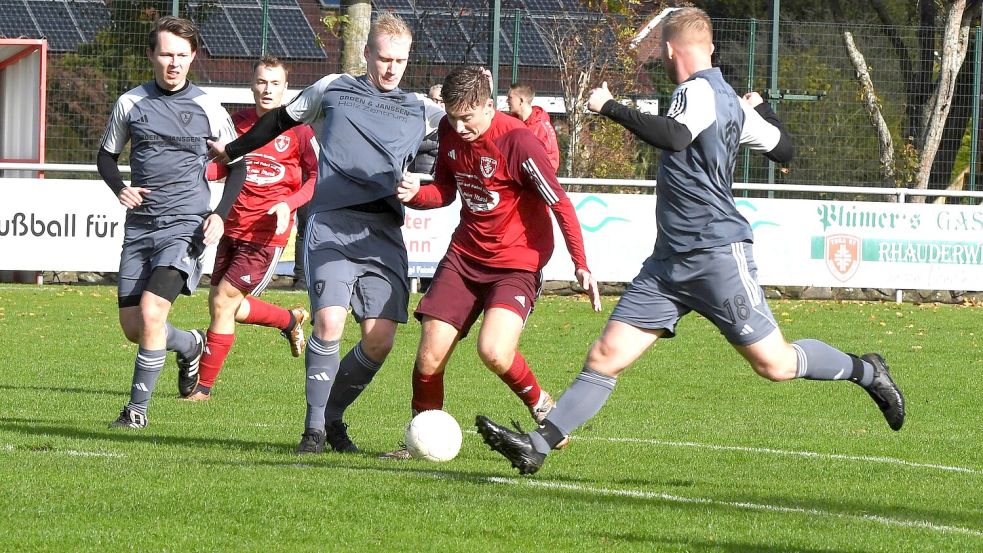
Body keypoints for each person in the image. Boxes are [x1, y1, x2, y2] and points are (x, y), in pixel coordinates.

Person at [475, 7, 905, 475]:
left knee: (776, 364)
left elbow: (676, 136)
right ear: (710, 47)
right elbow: (784, 148)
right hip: (669, 264)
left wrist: (610, 106)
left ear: (667, 49)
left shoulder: (696, 90)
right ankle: (536, 447)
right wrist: (760, 110)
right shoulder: (727, 100)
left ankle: (867, 370)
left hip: (717, 254)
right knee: (605, 356)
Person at [208, 12, 444, 454]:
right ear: (367, 53)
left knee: (380, 339)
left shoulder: (422, 110)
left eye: (400, 60)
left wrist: (423, 180)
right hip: (332, 223)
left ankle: (333, 416)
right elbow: (279, 120)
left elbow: (456, 144)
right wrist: (233, 150)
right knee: (330, 320)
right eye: (384, 58)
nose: (392, 68)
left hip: (383, 231)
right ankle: (313, 430)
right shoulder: (333, 87)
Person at [381, 66, 602, 459]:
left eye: (467, 117)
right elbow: (447, 192)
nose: (459, 126)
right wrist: (417, 194)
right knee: (429, 356)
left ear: (488, 104)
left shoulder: (519, 142)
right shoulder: (450, 132)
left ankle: (542, 406)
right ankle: (419, 444)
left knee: (494, 351)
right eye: (451, 116)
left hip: (517, 263)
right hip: (465, 257)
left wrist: (580, 263)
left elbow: (560, 203)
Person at [98, 16, 246, 429]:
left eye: (182, 55)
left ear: (193, 57)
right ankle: (191, 343)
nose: (174, 63)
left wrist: (219, 214)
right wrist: (119, 188)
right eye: (166, 54)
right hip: (141, 227)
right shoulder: (130, 103)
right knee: (135, 327)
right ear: (151, 55)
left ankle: (136, 412)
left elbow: (239, 166)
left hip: (186, 226)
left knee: (151, 312)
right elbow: (106, 156)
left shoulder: (209, 108)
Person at [185, 56, 319, 401]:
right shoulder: (238, 123)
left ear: (286, 88)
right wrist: (195, 173)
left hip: (266, 234)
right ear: (252, 84)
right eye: (262, 82)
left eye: (275, 83)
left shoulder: (300, 131)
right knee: (225, 305)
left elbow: (316, 179)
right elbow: (223, 168)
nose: (267, 89)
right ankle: (289, 320)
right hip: (230, 226)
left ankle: (202, 389)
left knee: (222, 301)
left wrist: (287, 205)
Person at [506, 82, 560, 171]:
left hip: (533, 179)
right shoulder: (511, 122)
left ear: (521, 100)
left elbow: (552, 162)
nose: (507, 101)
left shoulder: (542, 127)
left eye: (510, 98)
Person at [408, 84, 443, 175]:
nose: (438, 104)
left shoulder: (452, 125)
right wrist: (437, 146)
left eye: (441, 101)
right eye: (435, 100)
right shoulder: (415, 119)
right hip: (413, 173)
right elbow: (410, 143)